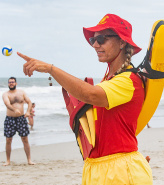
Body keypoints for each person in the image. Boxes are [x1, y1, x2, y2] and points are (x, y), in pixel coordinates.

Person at [17, 14, 153, 184]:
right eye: (92, 41)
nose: (95, 45)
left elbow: (90, 95)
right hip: (96, 167)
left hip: (120, 169)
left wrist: (51, 69)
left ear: (122, 42)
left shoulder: (129, 80)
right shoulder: (109, 80)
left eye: (102, 39)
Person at [2, 77, 35, 166]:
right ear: (8, 84)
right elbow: (7, 104)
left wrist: (28, 111)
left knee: (25, 139)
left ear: (16, 83)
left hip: (21, 118)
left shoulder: (21, 92)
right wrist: (14, 109)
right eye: (9, 82)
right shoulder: (6, 94)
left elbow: (29, 102)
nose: (11, 83)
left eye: (12, 82)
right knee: (8, 139)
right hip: (10, 119)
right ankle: (8, 160)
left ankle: (29, 160)